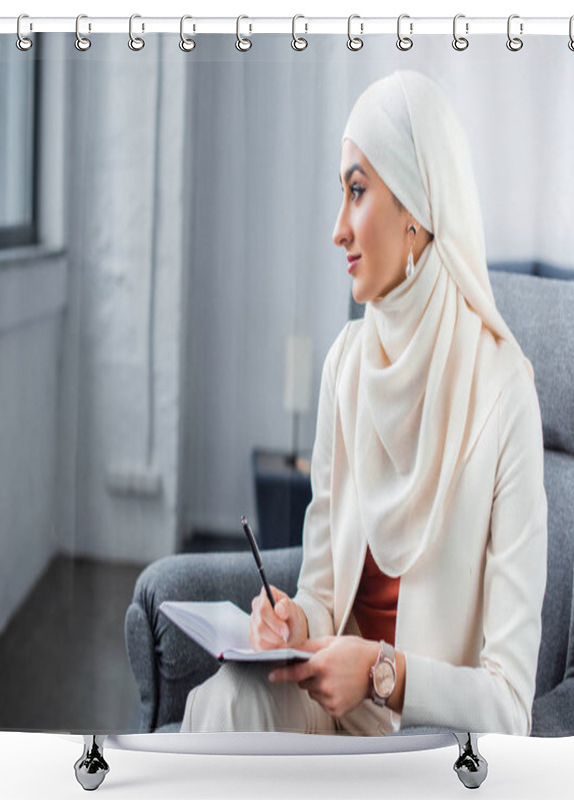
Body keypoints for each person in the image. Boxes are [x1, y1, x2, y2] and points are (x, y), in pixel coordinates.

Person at [180, 70, 547, 736]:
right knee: (226, 699)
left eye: (356, 193)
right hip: (334, 710)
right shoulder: (347, 367)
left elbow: (510, 705)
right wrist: (297, 619)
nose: (337, 231)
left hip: (423, 736)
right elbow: (324, 592)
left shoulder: (504, 393)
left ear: (415, 209)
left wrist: (383, 672)